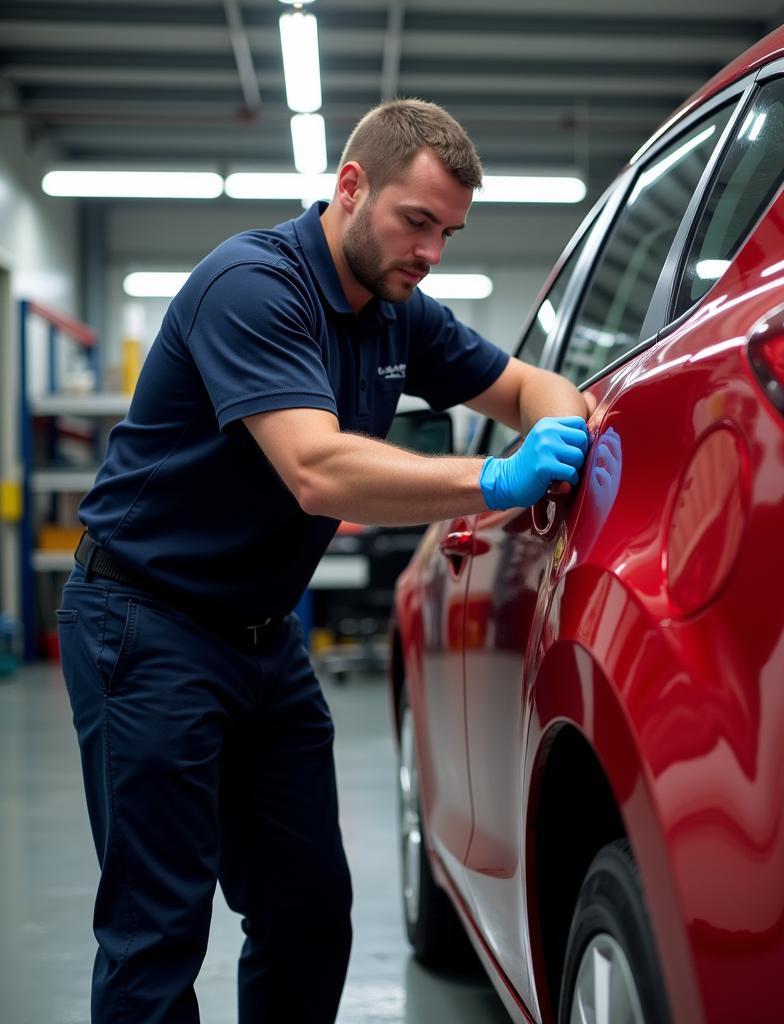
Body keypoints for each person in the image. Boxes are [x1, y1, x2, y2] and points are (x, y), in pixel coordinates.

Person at [58, 98, 590, 1024]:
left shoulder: (400, 313)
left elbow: (521, 382)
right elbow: (316, 469)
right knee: (157, 933)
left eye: (449, 233)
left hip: (262, 641)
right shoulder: (254, 286)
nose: (430, 252)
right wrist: (499, 476)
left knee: (309, 914)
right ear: (351, 188)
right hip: (143, 625)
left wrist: (565, 423)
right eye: (415, 222)